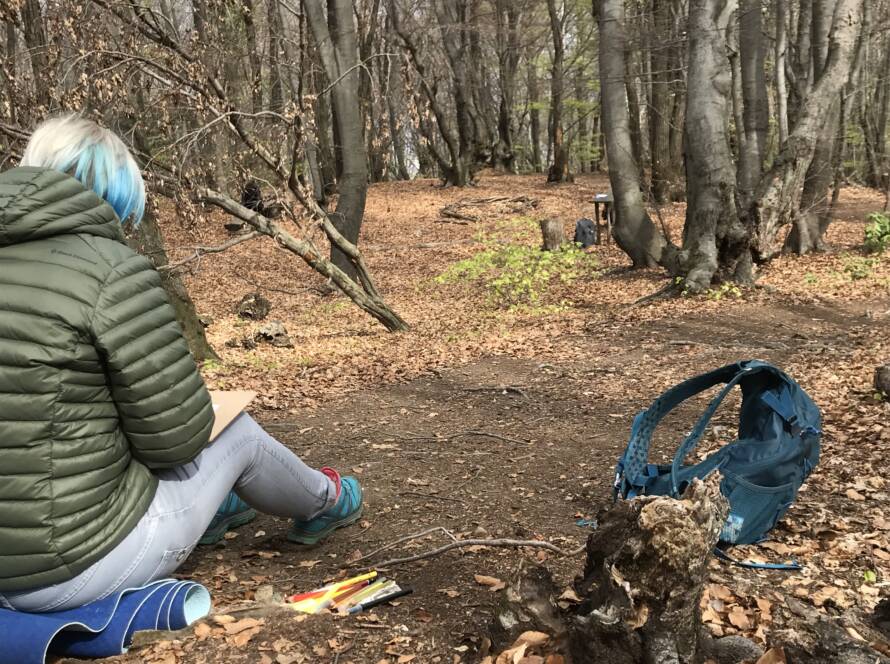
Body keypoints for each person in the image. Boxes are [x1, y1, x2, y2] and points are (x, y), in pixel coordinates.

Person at [0, 115, 363, 612]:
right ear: (116, 195)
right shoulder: (111, 271)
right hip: (66, 570)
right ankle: (328, 501)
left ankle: (221, 508)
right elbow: (176, 439)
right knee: (236, 433)